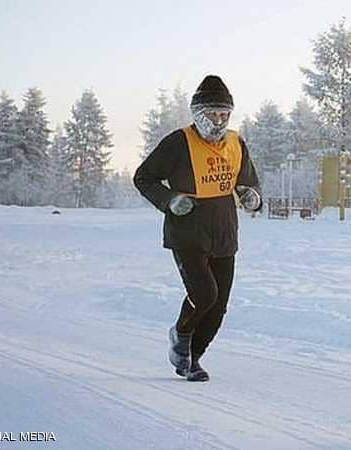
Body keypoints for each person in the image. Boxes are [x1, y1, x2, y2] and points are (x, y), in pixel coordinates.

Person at [134, 75, 262, 382]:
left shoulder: (236, 142)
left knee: (218, 307)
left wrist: (252, 197)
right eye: (212, 114)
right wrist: (169, 200)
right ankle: (180, 335)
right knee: (205, 294)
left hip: (224, 234)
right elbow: (143, 178)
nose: (218, 120)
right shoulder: (178, 142)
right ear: (197, 114)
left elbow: (249, 181)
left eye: (223, 114)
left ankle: (193, 358)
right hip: (187, 233)